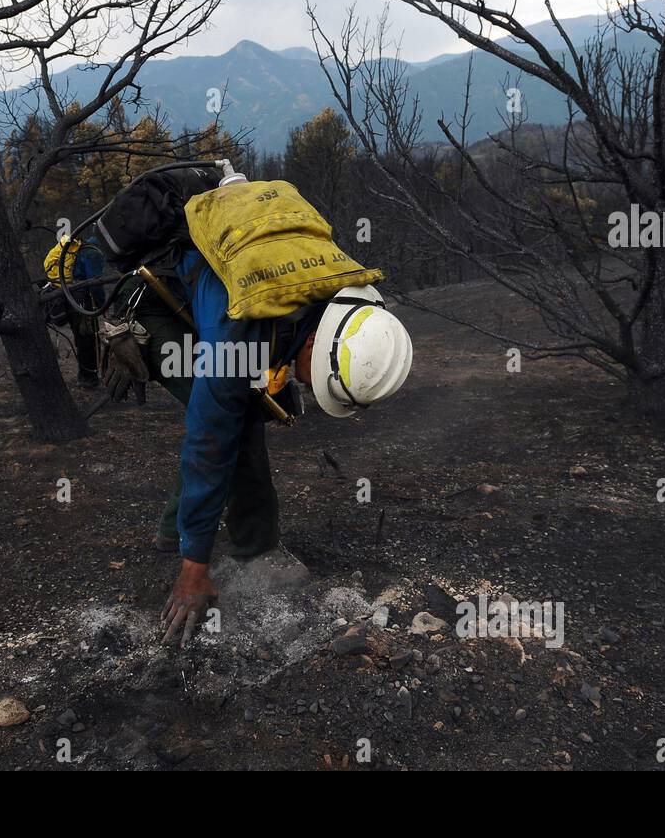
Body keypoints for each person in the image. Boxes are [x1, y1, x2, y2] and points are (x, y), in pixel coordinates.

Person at [99, 170, 413, 646]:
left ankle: (176, 530)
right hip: (149, 305)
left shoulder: (335, 286)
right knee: (236, 424)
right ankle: (251, 550)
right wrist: (195, 569)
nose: (306, 385)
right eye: (314, 379)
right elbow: (207, 442)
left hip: (196, 285)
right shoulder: (234, 342)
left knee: (242, 410)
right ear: (316, 342)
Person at [43, 235, 106, 388]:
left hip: (61, 293)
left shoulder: (77, 248)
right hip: (80, 298)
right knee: (87, 338)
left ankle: (83, 376)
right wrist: (102, 303)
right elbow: (95, 282)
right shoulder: (93, 253)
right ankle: (88, 378)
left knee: (82, 338)